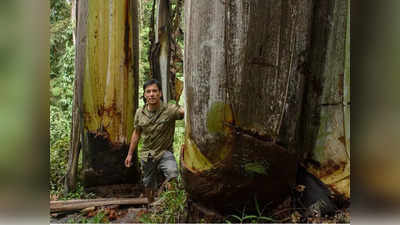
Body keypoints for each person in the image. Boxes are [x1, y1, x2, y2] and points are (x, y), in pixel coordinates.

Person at [124, 79, 184, 202]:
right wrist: (130, 154)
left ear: (160, 93)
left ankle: (171, 203)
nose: (151, 94)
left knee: (173, 174)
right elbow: (136, 134)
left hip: (164, 152)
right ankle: (150, 205)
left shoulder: (169, 110)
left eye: (154, 91)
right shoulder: (139, 113)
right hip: (147, 154)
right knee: (148, 183)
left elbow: (185, 113)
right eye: (148, 92)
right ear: (145, 95)